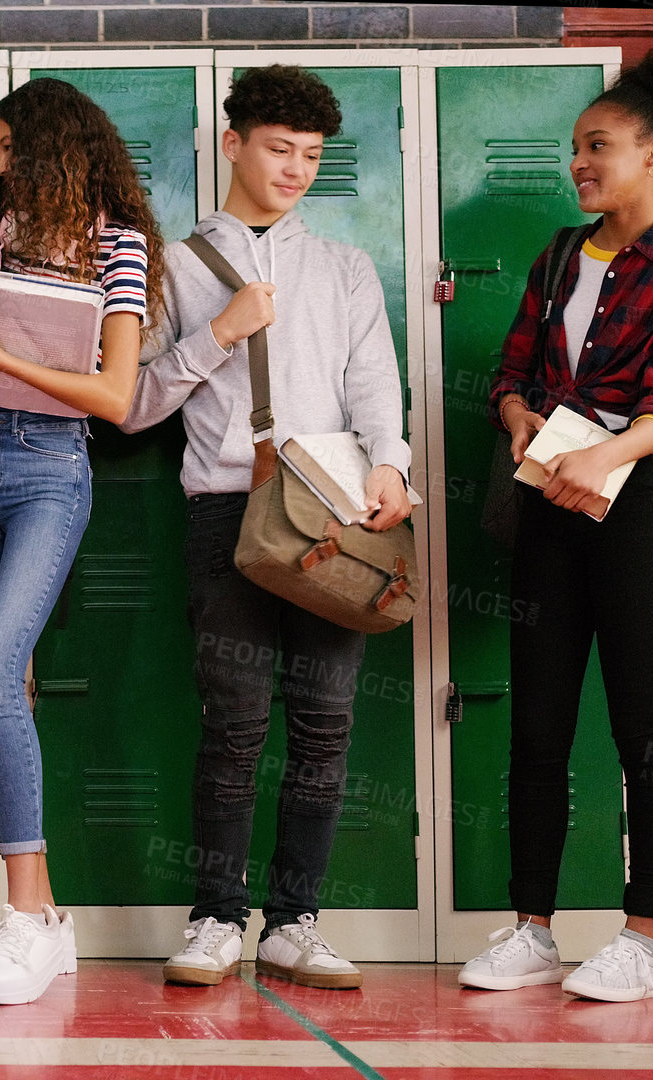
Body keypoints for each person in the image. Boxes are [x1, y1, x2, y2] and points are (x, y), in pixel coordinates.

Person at [122, 65, 410, 991]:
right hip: (225, 513)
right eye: (278, 149)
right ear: (232, 143)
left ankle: (294, 922)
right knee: (232, 727)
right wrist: (218, 335)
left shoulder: (344, 267)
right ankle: (215, 920)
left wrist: (391, 468)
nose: (293, 170)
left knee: (325, 729)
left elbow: (373, 387)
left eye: (311, 156)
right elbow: (128, 405)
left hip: (334, 519)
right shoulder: (170, 267)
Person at [462, 50, 653, 1003]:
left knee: (640, 728)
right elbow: (510, 370)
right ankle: (531, 928)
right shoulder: (554, 255)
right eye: (576, 148)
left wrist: (603, 455)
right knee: (534, 728)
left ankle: (644, 941)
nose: (579, 163)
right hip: (548, 506)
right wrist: (517, 418)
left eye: (598, 147)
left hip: (638, 516)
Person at [0, 77, 162, 1006]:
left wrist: (0, 352)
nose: (1, 162)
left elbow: (116, 397)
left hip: (48, 468)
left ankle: (25, 918)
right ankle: (45, 925)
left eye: (12, 147)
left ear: (60, 145)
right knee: (1, 684)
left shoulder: (118, 245)